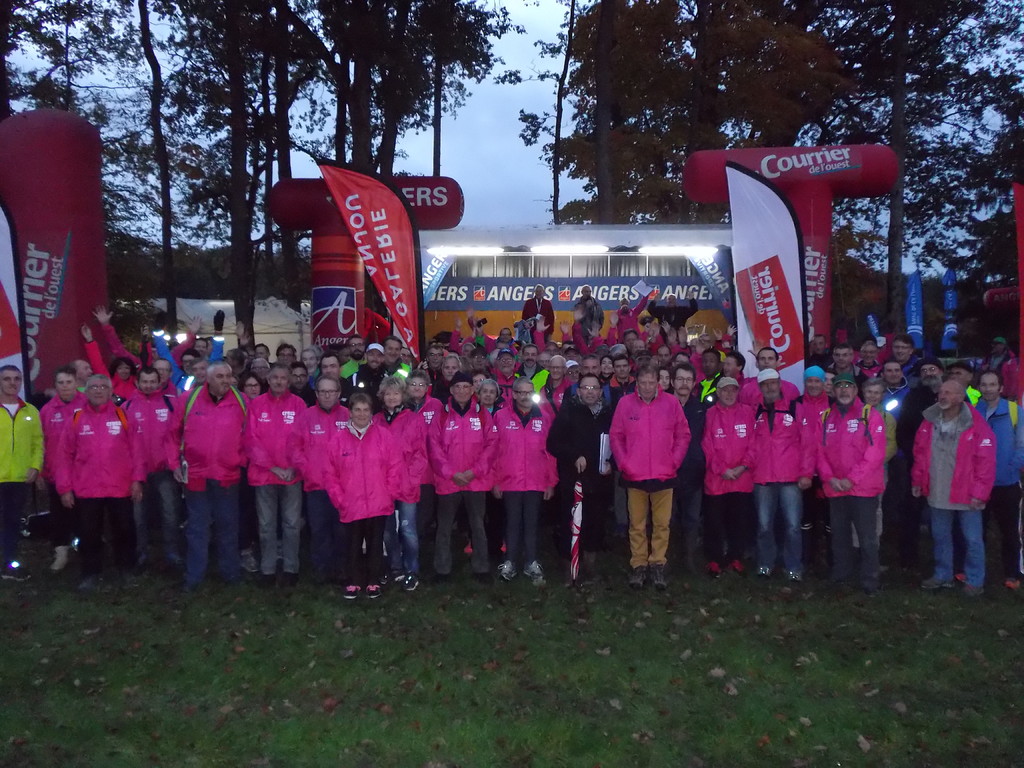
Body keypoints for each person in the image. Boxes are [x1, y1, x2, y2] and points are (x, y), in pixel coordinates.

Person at [56, 374, 143, 591]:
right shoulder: (76, 419)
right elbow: (64, 455)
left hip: (120, 486)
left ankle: (126, 569)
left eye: (103, 387)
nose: (98, 390)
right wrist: (64, 488)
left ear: (111, 391)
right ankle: (90, 573)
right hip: (87, 487)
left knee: (124, 529)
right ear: (86, 391)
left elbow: (137, 451)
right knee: (89, 533)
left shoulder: (123, 416)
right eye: (93, 387)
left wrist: (137, 479)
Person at [168, 360, 248, 592]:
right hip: (196, 476)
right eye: (220, 376)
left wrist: (239, 460)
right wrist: (174, 464)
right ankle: (194, 577)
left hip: (227, 475)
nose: (226, 381)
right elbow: (172, 434)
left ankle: (230, 573)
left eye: (228, 376)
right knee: (197, 528)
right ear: (208, 379)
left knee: (228, 526)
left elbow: (250, 435)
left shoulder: (242, 401)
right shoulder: (188, 399)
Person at [610, 364, 690, 591]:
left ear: (658, 383)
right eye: (642, 383)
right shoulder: (625, 404)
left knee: (662, 524)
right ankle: (638, 564)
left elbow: (683, 435)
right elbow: (616, 435)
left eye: (651, 382)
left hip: (664, 474)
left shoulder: (671, 403)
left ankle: (657, 563)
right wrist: (624, 463)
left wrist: (674, 461)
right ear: (636, 383)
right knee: (636, 523)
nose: (646, 387)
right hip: (634, 474)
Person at [913, 380, 996, 597]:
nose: (943, 396)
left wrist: (980, 493)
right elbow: (920, 454)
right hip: (938, 490)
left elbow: (986, 462)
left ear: (960, 397)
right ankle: (943, 575)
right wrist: (918, 481)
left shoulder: (977, 425)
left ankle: (975, 580)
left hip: (967, 493)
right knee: (940, 536)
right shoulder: (929, 421)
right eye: (941, 392)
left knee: (972, 539)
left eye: (949, 392)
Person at [326, 392, 403, 599]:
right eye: (357, 410)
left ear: (371, 412)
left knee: (375, 544)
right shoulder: (337, 440)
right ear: (350, 412)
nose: (361, 414)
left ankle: (373, 581)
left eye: (366, 410)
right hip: (350, 503)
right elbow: (330, 474)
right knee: (352, 544)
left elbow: (395, 467)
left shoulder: (384, 436)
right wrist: (339, 499)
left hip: (378, 502)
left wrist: (389, 494)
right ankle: (352, 581)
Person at [817, 372, 887, 594]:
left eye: (848, 386)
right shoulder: (826, 417)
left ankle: (870, 581)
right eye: (840, 386)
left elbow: (875, 454)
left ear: (856, 390)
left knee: (867, 537)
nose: (844, 390)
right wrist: (830, 478)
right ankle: (841, 575)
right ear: (833, 390)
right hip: (836, 488)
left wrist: (851, 479)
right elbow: (819, 452)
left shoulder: (869, 415)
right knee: (839, 535)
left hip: (863, 489)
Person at [429, 372, 496, 583]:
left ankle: (481, 568)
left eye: (466, 387)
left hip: (475, 480)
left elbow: (491, 446)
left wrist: (474, 472)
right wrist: (451, 473)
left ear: (472, 389)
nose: (462, 391)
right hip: (449, 481)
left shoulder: (482, 414)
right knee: (444, 527)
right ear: (451, 390)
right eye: (457, 387)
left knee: (478, 525)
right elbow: (434, 448)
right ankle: (442, 570)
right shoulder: (441, 415)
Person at [547, 372, 614, 583]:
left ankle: (590, 565)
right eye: (586, 388)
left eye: (594, 388)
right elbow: (553, 443)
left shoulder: (608, 414)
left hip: (599, 479)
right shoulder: (568, 411)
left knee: (595, 522)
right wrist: (574, 455)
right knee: (570, 522)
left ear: (600, 392)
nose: (590, 392)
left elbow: (619, 441)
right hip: (573, 479)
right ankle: (569, 566)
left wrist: (612, 463)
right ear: (579, 391)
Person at [748, 369, 814, 580]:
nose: (770, 387)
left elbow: (807, 443)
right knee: (764, 525)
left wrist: (806, 473)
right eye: (765, 384)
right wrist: (749, 468)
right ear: (760, 387)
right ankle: (765, 564)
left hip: (790, 478)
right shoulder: (755, 411)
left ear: (779, 384)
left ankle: (793, 567)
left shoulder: (795, 408)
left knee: (793, 526)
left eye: (773, 383)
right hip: (762, 478)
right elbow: (750, 444)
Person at [492, 378, 557, 584]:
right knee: (512, 522)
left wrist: (551, 481)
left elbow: (551, 452)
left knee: (532, 523)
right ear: (514, 394)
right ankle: (510, 562)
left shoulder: (544, 417)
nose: (525, 396)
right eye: (520, 392)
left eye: (529, 392)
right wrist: (495, 480)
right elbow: (494, 451)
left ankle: (531, 562)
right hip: (510, 480)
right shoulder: (501, 416)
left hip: (536, 481)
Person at [247, 363, 306, 587]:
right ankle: (268, 569)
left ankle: (291, 568)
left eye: (283, 378)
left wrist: (293, 467)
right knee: (266, 525)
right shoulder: (256, 405)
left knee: (292, 523)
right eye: (275, 378)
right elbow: (251, 440)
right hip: (264, 474)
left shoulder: (298, 404)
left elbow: (303, 440)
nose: (279, 381)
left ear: (288, 380)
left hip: (291, 475)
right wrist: (272, 467)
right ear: (268, 380)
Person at [289, 375, 350, 584]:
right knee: (319, 529)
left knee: (342, 530)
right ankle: (321, 570)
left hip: (343, 487)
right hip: (316, 485)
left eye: (331, 391)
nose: (327, 395)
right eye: (323, 391)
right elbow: (295, 448)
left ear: (338, 393)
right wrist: (307, 470)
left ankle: (342, 569)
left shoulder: (348, 415)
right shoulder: (306, 417)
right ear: (316, 393)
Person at [124, 366, 183, 570]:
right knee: (138, 516)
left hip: (164, 470)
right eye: (145, 381)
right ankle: (142, 553)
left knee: (170, 513)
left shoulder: (171, 403)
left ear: (159, 382)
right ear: (137, 383)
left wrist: (174, 463)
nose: (148, 385)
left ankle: (172, 553)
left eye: (152, 382)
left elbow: (178, 435)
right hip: (138, 472)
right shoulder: (127, 406)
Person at [374, 376, 427, 592]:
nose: (392, 397)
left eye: (396, 393)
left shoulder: (413, 419)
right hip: (383, 487)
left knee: (408, 530)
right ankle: (395, 567)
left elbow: (420, 454)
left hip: (406, 485)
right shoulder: (376, 420)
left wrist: (411, 480)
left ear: (403, 395)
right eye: (388, 393)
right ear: (382, 396)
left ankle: (411, 569)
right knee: (388, 531)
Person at [700, 377, 755, 576]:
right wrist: (721, 469)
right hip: (716, 480)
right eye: (725, 390)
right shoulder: (709, 414)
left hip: (741, 479)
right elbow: (706, 444)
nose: (729, 394)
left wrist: (743, 466)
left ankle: (735, 557)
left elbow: (754, 443)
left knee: (738, 521)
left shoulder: (748, 413)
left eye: (733, 390)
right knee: (714, 522)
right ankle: (714, 559)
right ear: (718, 393)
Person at [975, 370, 1024, 589]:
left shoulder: (1015, 411)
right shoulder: (974, 411)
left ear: (1001, 388)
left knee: (1010, 531)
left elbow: (1022, 444)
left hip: (1007, 483)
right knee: (977, 531)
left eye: (992, 384)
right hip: (980, 484)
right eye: (984, 385)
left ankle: (1012, 573)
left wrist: (1010, 468)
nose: (988, 389)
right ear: (979, 388)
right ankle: (977, 573)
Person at [893, 357, 944, 568]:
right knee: (912, 510)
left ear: (941, 372)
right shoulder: (912, 397)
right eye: (924, 370)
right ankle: (908, 557)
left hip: (947, 466)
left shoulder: (954, 395)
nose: (929, 373)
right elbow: (902, 430)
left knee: (944, 514)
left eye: (932, 369)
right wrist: (913, 454)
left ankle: (945, 559)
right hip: (917, 464)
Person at [39, 365, 86, 572]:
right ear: (55, 385)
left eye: (69, 382)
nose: (65, 386)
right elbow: (41, 442)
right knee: (59, 515)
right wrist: (42, 471)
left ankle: (87, 549)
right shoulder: (47, 411)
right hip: (56, 473)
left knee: (85, 515)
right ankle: (61, 553)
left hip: (84, 473)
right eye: (61, 382)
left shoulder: (87, 405)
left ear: (76, 383)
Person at [0, 366, 42, 581]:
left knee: (12, 523)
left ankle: (8, 565)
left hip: (19, 478)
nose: (12, 383)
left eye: (17, 379)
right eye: (7, 379)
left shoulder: (30, 411)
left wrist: (35, 466)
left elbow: (38, 442)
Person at [670, 363, 706, 573]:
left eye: (688, 380)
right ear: (672, 382)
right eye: (680, 379)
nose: (684, 384)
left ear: (694, 383)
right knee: (667, 519)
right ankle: (667, 559)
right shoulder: (662, 406)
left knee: (692, 518)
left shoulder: (701, 409)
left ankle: (689, 559)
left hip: (694, 472)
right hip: (667, 473)